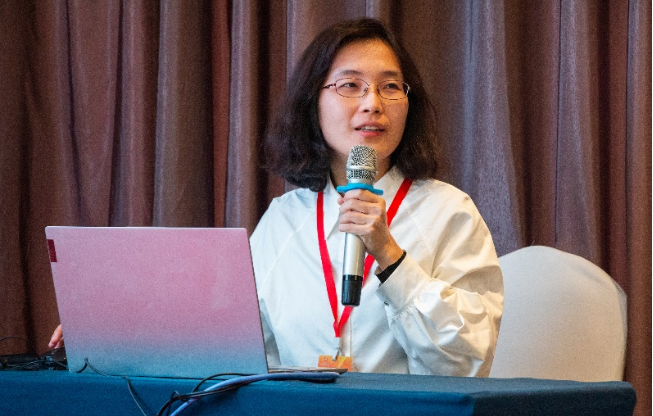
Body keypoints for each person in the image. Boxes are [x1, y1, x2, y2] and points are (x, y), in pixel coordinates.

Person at [50, 18, 503, 377]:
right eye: (350, 85)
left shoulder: (449, 213)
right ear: (313, 103)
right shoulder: (285, 218)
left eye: (390, 87)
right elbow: (231, 343)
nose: (373, 104)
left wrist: (389, 255)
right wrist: (111, 334)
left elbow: (466, 361)